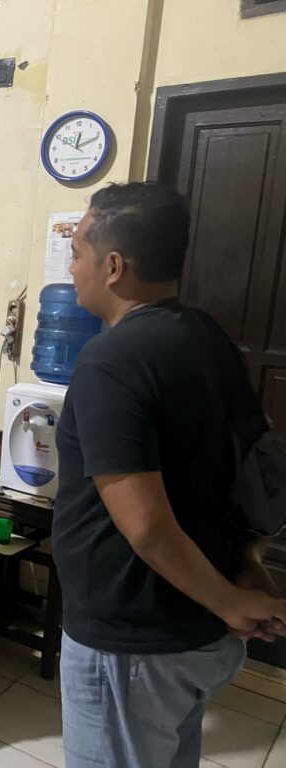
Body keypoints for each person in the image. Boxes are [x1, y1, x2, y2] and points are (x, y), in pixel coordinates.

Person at [53, 182, 286, 768]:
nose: (71, 266)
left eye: (77, 252)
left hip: (130, 639)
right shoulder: (206, 335)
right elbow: (251, 470)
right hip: (191, 630)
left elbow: (148, 528)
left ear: (113, 266)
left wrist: (231, 602)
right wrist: (245, 567)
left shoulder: (112, 360)